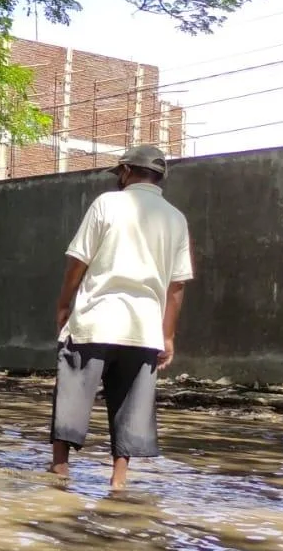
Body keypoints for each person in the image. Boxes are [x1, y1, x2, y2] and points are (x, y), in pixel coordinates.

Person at [50, 145, 192, 490]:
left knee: (72, 395)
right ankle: (118, 482)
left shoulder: (106, 204)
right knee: (131, 405)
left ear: (127, 171)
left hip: (97, 319)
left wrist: (64, 304)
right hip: (143, 329)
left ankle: (59, 473)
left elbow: (78, 262)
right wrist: (168, 336)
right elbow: (177, 287)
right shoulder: (176, 218)